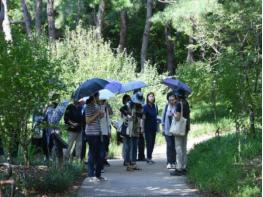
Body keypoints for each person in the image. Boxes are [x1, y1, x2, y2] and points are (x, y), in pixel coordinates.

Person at [170, 90, 190, 176]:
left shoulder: (179, 104)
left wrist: (173, 113)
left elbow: (178, 118)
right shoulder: (186, 103)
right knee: (184, 148)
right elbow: (188, 116)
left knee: (178, 148)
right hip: (185, 128)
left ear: (178, 96)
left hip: (179, 129)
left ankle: (179, 168)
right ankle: (184, 167)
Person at [85, 95, 105, 180]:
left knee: (101, 154)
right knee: (93, 154)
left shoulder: (96, 105)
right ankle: (91, 174)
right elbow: (88, 121)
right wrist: (97, 113)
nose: (99, 97)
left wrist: (101, 112)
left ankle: (97, 174)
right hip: (91, 134)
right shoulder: (88, 106)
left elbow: (99, 117)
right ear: (94, 97)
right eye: (98, 96)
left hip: (98, 133)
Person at [162, 92, 177, 169]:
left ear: (175, 100)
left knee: (174, 146)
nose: (171, 101)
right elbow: (163, 118)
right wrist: (163, 128)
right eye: (170, 100)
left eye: (173, 99)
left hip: (175, 130)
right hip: (167, 129)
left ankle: (174, 162)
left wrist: (173, 114)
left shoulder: (177, 107)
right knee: (169, 145)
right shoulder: (166, 107)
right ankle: (169, 162)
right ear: (168, 100)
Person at [142, 92, 158, 164]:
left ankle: (150, 157)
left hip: (154, 127)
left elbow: (155, 117)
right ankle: (148, 158)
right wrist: (142, 128)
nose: (151, 97)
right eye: (150, 96)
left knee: (153, 143)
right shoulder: (145, 107)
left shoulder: (155, 106)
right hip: (147, 128)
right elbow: (143, 118)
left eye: (152, 96)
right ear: (147, 98)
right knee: (149, 142)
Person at [99, 100, 112, 167]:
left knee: (105, 147)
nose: (103, 102)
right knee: (101, 148)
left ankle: (104, 160)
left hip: (105, 131)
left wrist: (109, 131)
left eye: (103, 101)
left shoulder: (105, 107)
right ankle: (100, 162)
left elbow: (108, 120)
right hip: (99, 131)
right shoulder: (96, 108)